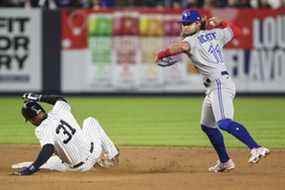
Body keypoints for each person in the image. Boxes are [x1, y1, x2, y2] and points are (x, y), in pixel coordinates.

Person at [155, 9, 269, 173]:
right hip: (214, 87)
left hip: (220, 85)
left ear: (197, 23)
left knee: (224, 122)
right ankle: (225, 162)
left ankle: (256, 147)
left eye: (187, 24)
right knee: (207, 126)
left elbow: (181, 46)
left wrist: (161, 53)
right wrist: (221, 22)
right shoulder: (216, 33)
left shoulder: (191, 40)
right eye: (183, 24)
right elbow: (234, 30)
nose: (184, 27)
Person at [13, 93, 119, 176]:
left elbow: (48, 148)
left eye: (30, 120)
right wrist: (39, 97)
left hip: (76, 169)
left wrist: (33, 168)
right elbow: (60, 100)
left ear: (33, 119)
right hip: (92, 153)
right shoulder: (59, 111)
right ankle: (112, 155)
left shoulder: (41, 129)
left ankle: (28, 166)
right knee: (90, 121)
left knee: (43, 162)